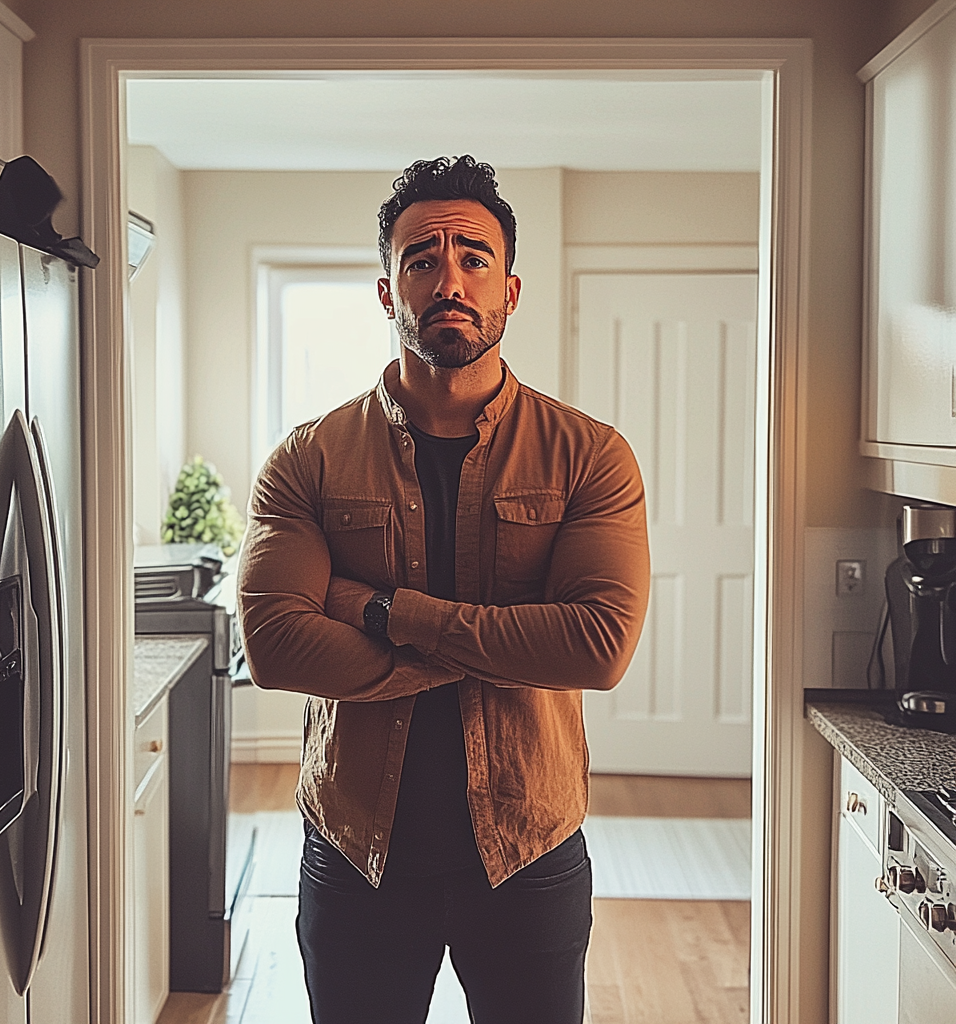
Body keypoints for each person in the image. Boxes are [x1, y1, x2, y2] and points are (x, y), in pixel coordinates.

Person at [237, 155, 650, 1024]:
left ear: (511, 288)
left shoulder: (589, 455)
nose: (449, 278)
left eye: (474, 257)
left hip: (528, 851)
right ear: (388, 291)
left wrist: (378, 609)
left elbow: (596, 646)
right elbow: (274, 647)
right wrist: (495, 646)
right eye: (421, 258)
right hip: (356, 852)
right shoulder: (307, 458)